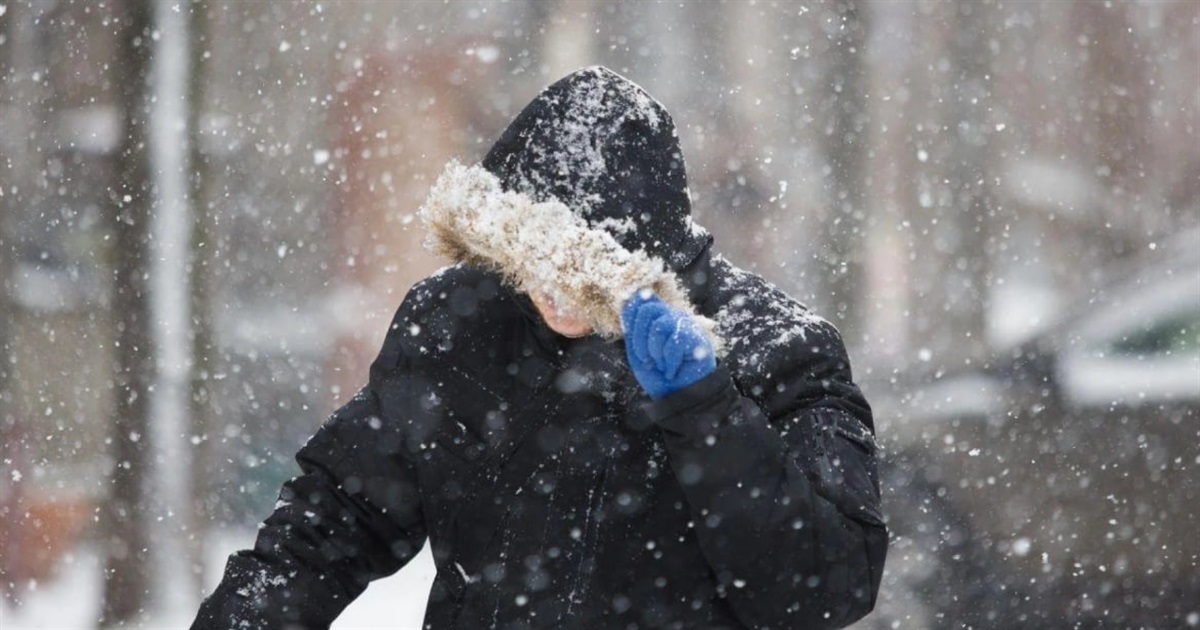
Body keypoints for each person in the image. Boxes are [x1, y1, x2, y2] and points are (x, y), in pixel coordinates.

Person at [192, 66, 886, 630]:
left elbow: (823, 592)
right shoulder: (460, 325)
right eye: (526, 257)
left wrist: (705, 412)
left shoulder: (779, 349)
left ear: (637, 255)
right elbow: (335, 522)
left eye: (577, 270)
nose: (548, 291)